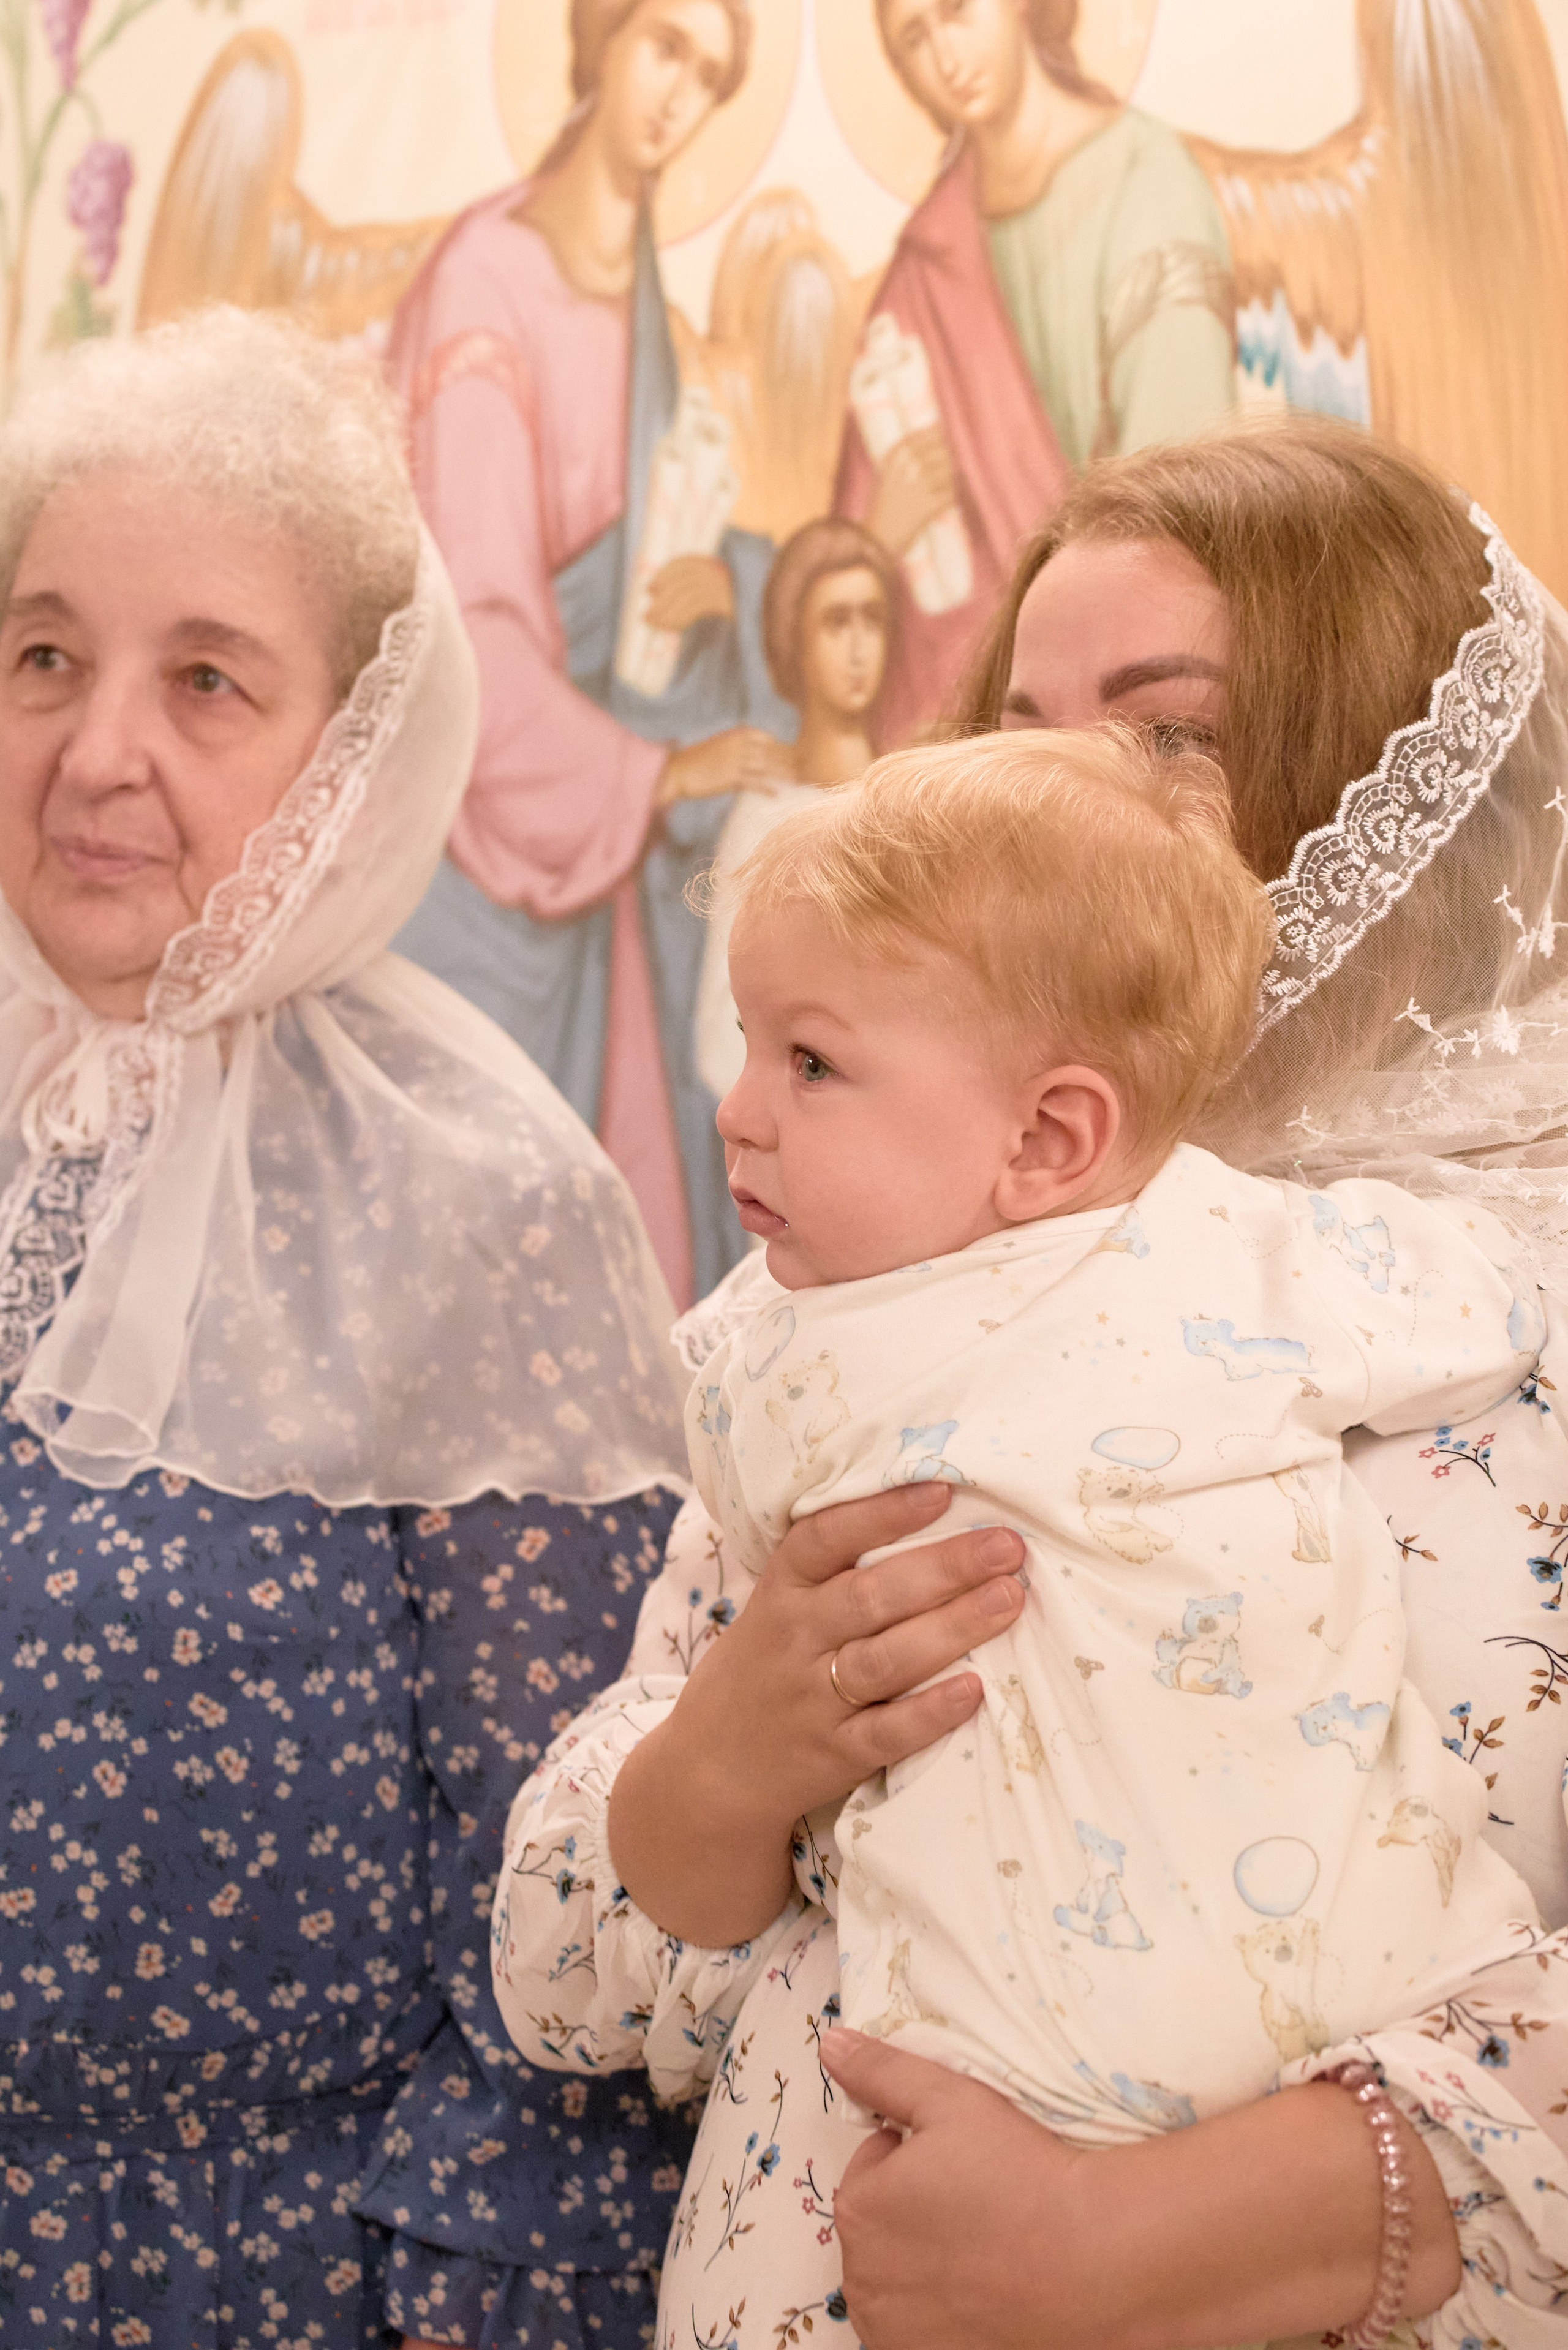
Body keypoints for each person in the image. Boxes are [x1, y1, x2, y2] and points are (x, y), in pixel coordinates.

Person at [486, 415, 1568, 2350]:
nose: (1066, 793)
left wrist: (1174, 2234)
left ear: (1386, 787)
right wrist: (724, 1764)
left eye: (1168, 731)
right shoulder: (871, 1282)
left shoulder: (1511, 1313)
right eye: (1020, 726)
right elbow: (573, 1968)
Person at [0, 307, 696, 2350]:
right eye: (45, 653)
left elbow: (560, 1915)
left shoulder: (488, 1193)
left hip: (254, 2279)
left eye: (206, 678)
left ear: (355, 745)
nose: (96, 745)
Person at [387, 0, 788, 1312]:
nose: (681, 93)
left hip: (603, 863)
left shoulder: (642, 289)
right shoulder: (485, 281)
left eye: (713, 74)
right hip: (493, 863)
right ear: (601, 40)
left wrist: (717, 590)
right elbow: (473, 625)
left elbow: (642, 543)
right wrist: (656, 775)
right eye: (663, 45)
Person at [836, 0, 1234, 744]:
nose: (944, 57)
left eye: (955, 12)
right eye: (913, 40)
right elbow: (858, 531)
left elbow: (1188, 475)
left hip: (1122, 692)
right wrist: (878, 539)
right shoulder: (925, 259)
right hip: (981, 709)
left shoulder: (1146, 181)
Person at [694, 518, 895, 1101]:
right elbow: (721, 1030)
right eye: (836, 623)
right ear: (795, 640)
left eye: (872, 620)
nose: (859, 648)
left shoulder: (915, 800)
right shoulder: (764, 817)